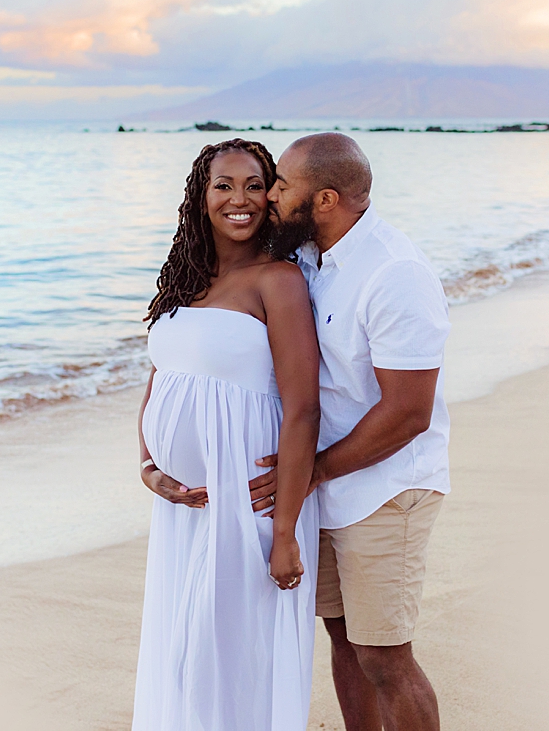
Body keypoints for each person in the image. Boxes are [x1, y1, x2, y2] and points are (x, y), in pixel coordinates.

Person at [250, 133, 451, 731]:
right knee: (344, 641)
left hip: (386, 488)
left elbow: (410, 410)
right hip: (332, 487)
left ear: (327, 199)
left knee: (385, 657)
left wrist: (314, 470)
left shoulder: (395, 273)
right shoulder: (310, 256)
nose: (270, 197)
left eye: (282, 186)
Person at [132, 139, 322, 731]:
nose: (239, 200)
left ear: (272, 197)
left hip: (253, 503)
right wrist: (149, 465)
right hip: (185, 506)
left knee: (234, 657)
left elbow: (304, 410)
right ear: (201, 197)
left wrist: (285, 530)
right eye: (224, 186)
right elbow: (160, 381)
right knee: (184, 654)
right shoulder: (185, 281)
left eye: (254, 185)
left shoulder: (279, 281)